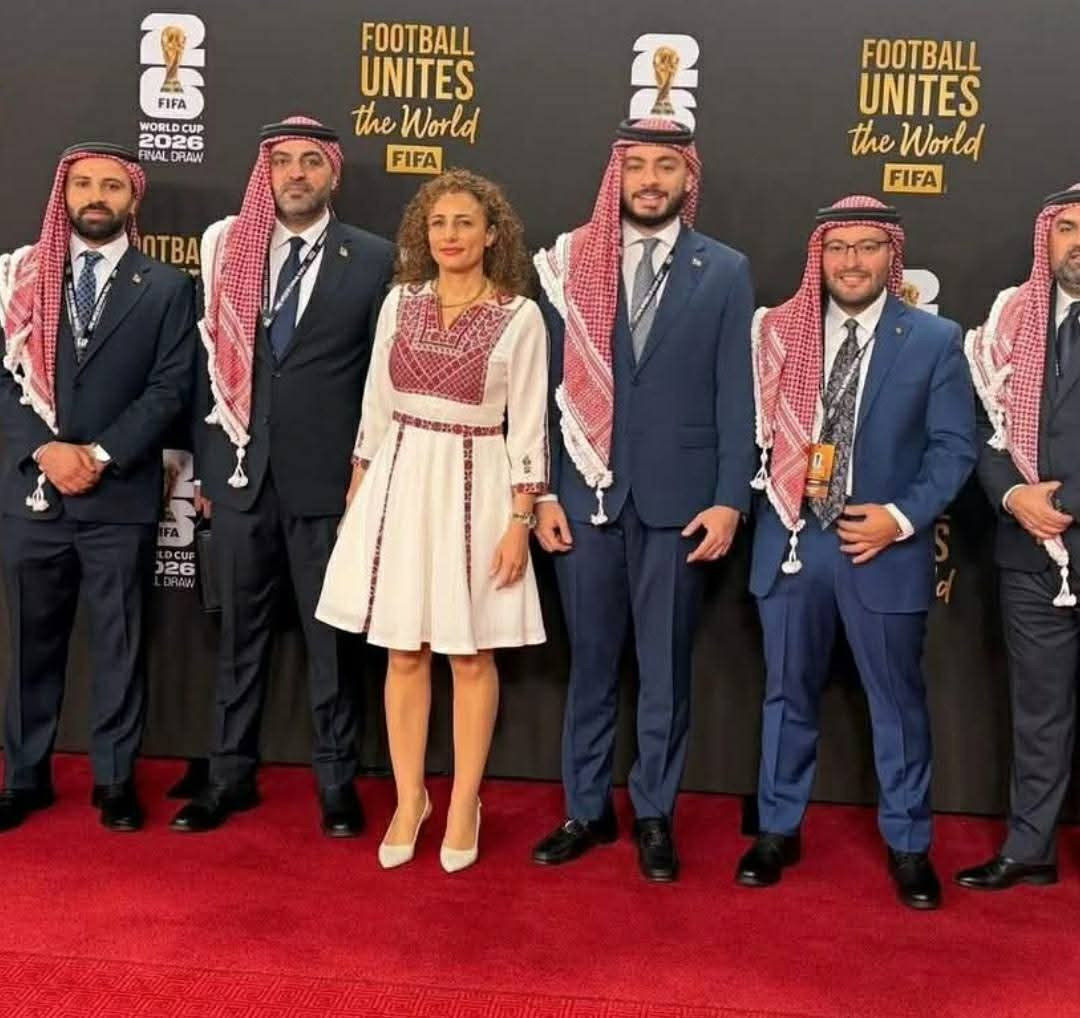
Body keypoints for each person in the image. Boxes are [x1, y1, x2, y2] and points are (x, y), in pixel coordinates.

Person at [530, 118, 756, 882]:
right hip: (582, 499)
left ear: (689, 178)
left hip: (681, 506)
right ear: (616, 176)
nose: (651, 180)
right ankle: (585, 810)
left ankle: (654, 812)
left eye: (666, 166)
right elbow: (542, 391)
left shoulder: (724, 270)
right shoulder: (568, 264)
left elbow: (736, 396)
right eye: (637, 167)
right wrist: (541, 492)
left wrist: (729, 500)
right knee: (590, 666)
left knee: (664, 670)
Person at [737, 196, 976, 910]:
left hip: (882, 547)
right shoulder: (779, 334)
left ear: (891, 256)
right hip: (792, 537)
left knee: (896, 701)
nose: (851, 262)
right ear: (819, 256)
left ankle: (909, 843)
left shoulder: (933, 340)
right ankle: (777, 828)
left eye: (868, 247)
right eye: (838, 248)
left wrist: (898, 519)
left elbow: (954, 449)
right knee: (786, 692)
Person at [316, 169, 547, 873]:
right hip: (399, 480)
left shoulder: (520, 316)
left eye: (465, 222)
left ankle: (465, 801)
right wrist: (359, 496)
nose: (450, 235)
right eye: (438, 223)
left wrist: (520, 519)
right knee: (403, 652)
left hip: (478, 486)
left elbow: (528, 424)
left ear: (492, 235)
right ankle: (410, 798)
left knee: (471, 656)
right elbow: (375, 407)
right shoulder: (399, 302)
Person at [170, 116, 394, 836]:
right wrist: (207, 468)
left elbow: (382, 382)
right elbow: (204, 369)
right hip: (238, 479)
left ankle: (336, 782)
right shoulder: (227, 252)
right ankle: (228, 777)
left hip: (329, 486)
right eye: (283, 162)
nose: (296, 174)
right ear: (265, 174)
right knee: (238, 637)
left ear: (333, 174)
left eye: (310, 162)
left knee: (333, 642)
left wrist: (366, 471)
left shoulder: (374, 258)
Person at [0, 141, 195, 832]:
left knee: (119, 641)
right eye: (83, 183)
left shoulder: (167, 286)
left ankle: (115, 781)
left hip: (120, 493)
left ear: (132, 198)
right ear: (64, 193)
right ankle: (25, 777)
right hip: (34, 494)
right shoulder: (20, 278)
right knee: (29, 645)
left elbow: (170, 387)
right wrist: (46, 450)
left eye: (111, 185)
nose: (96, 196)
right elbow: (3, 381)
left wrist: (101, 454)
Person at [957, 184, 1080, 891]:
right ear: (1047, 239)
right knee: (1038, 709)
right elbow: (983, 425)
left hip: (1054, 520)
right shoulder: (1011, 320)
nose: (1078, 243)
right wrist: (1012, 496)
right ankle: (1030, 847)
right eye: (1067, 228)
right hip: (1029, 551)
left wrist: (1060, 502)